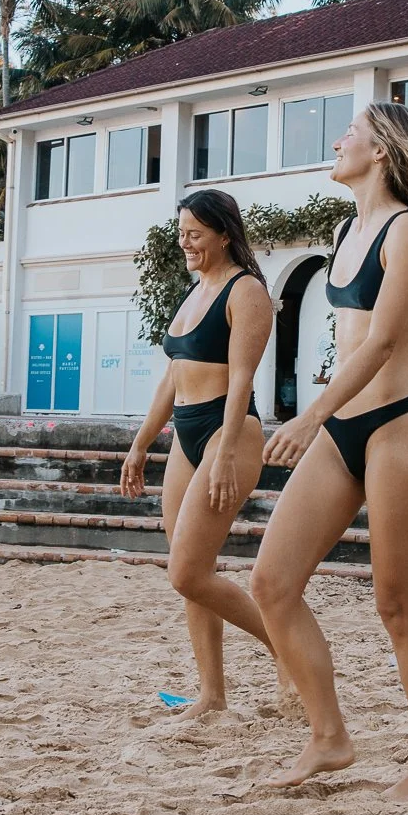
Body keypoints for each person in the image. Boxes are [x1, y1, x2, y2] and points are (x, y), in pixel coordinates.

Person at [252, 102, 408, 800]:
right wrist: (322, 416)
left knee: (398, 607)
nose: (337, 142)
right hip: (343, 432)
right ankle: (329, 734)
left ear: (383, 151)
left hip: (397, 427)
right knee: (272, 583)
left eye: (349, 133)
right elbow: (345, 335)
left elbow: (383, 343)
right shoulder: (347, 229)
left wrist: (310, 414)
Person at [118, 189, 280, 719]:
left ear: (224, 234)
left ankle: (291, 652)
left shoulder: (246, 290)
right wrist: (142, 443)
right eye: (181, 232)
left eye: (194, 234)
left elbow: (241, 379)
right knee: (193, 569)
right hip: (187, 432)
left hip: (226, 430)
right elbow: (172, 377)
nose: (184, 242)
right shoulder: (195, 291)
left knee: (186, 572)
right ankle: (212, 695)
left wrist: (229, 446)